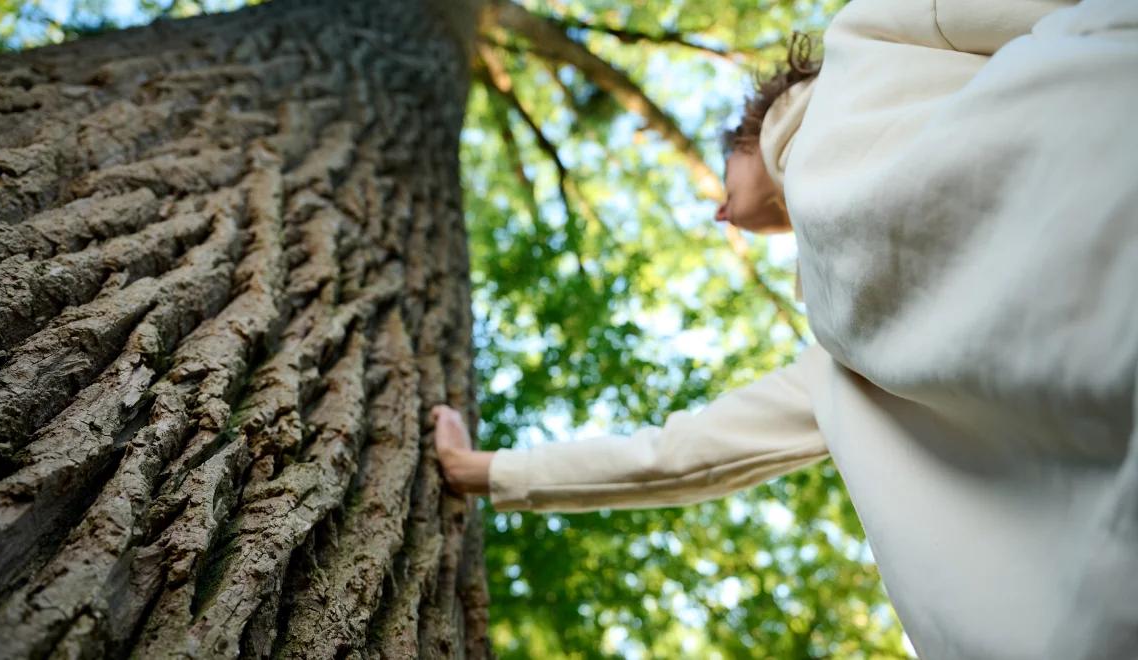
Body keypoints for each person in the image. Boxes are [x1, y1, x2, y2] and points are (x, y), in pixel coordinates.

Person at [436, 0, 1138, 657]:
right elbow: (682, 453)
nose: (720, 213)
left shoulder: (868, 35)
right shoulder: (840, 354)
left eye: (720, 182)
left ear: (748, 132)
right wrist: (489, 471)